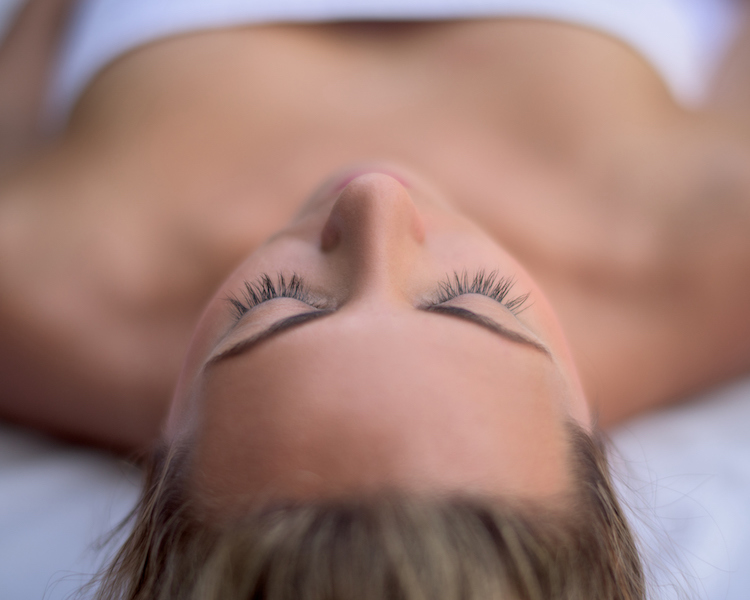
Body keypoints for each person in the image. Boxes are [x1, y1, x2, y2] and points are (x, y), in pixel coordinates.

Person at [2, 0, 750, 598]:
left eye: (275, 303)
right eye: (474, 299)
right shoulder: (705, 249)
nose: (374, 198)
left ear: (166, 445)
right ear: (585, 422)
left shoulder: (43, 287)